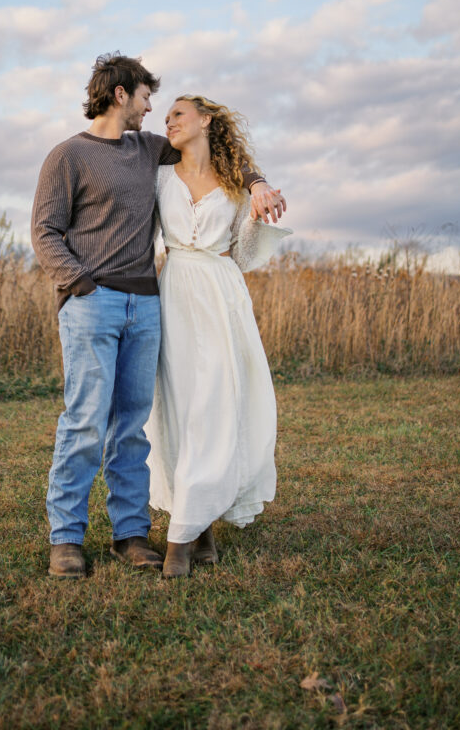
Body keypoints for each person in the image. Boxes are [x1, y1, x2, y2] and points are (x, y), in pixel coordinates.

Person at [31, 54, 285, 578]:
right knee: (83, 421)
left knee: (133, 426)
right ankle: (66, 540)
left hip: (147, 304)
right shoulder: (68, 155)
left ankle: (130, 533)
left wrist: (258, 182)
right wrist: (80, 283)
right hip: (92, 302)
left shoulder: (149, 150)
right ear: (121, 94)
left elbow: (221, 153)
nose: (155, 111)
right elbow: (45, 231)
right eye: (148, 98)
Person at [145, 94, 291, 578]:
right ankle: (200, 522)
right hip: (173, 295)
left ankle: (179, 542)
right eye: (165, 117)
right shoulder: (160, 175)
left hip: (220, 296)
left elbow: (245, 256)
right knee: (178, 408)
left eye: (178, 114)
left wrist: (254, 210)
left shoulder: (234, 183)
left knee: (213, 406)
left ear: (205, 121)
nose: (168, 122)